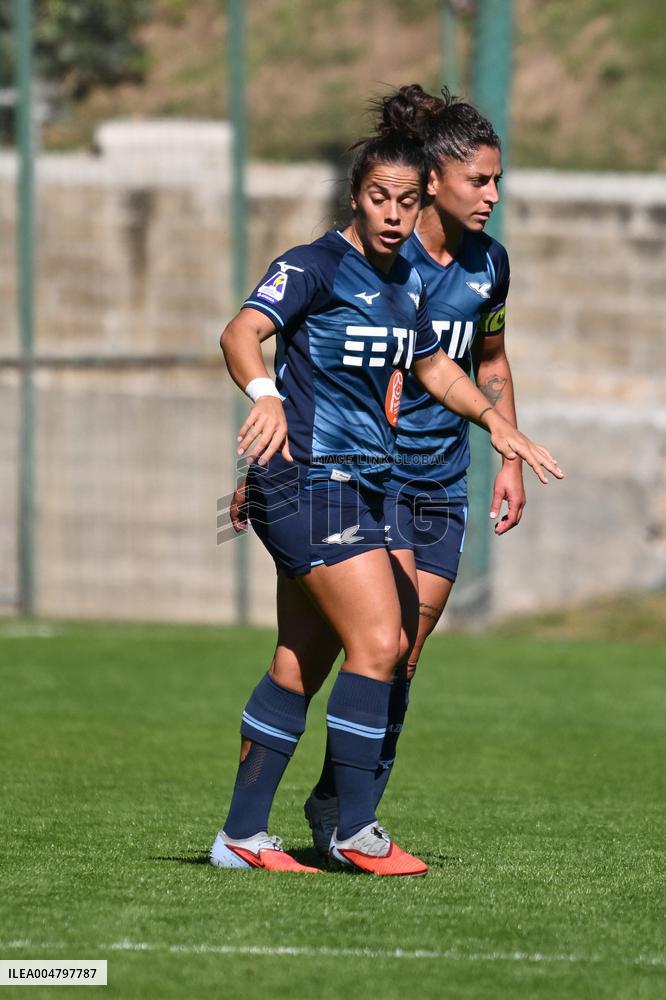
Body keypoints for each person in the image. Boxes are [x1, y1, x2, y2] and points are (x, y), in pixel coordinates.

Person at [212, 103, 562, 877]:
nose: (396, 215)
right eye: (381, 199)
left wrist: (497, 427)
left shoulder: (406, 281)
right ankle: (353, 828)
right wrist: (265, 395)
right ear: (356, 196)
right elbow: (240, 332)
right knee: (382, 642)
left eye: (405, 202)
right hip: (310, 482)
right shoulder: (312, 265)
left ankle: (242, 836)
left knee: (301, 662)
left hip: (359, 487)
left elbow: (440, 368)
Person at [302, 84, 528, 855]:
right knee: (375, 645)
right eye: (480, 180)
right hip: (374, 478)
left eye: (498, 181)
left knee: (408, 658)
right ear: (434, 179)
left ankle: (338, 801)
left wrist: (508, 453)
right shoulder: (387, 260)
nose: (493, 195)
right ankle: (340, 823)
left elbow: (490, 358)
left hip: (443, 481)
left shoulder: (489, 265)